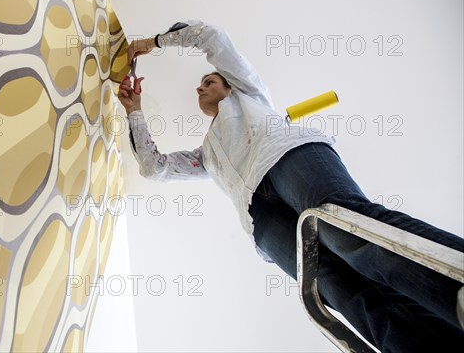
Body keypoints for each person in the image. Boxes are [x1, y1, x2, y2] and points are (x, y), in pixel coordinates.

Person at [117, 19, 464, 352]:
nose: (199, 87)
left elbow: (211, 36)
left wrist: (152, 43)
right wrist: (135, 110)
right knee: (339, 290)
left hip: (287, 156)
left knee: (349, 233)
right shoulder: (208, 155)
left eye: (209, 81)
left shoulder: (251, 94)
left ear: (229, 85)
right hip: (260, 218)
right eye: (202, 84)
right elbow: (155, 167)